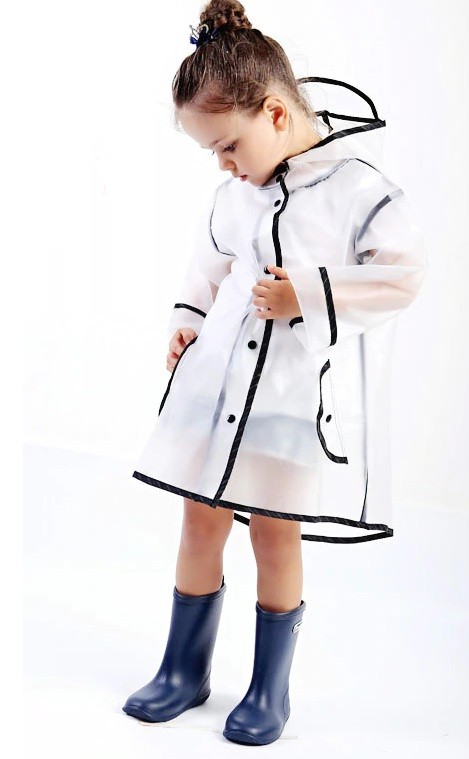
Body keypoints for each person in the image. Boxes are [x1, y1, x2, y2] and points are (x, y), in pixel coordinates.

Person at [122, 0, 428, 746]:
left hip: (291, 398)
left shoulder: (356, 190)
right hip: (216, 385)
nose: (224, 164)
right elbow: (208, 268)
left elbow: (402, 275)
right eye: (212, 153)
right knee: (199, 520)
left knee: (274, 534)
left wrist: (308, 294)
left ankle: (268, 690)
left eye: (228, 145)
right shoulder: (234, 195)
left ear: (276, 114)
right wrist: (187, 321)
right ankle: (182, 670)